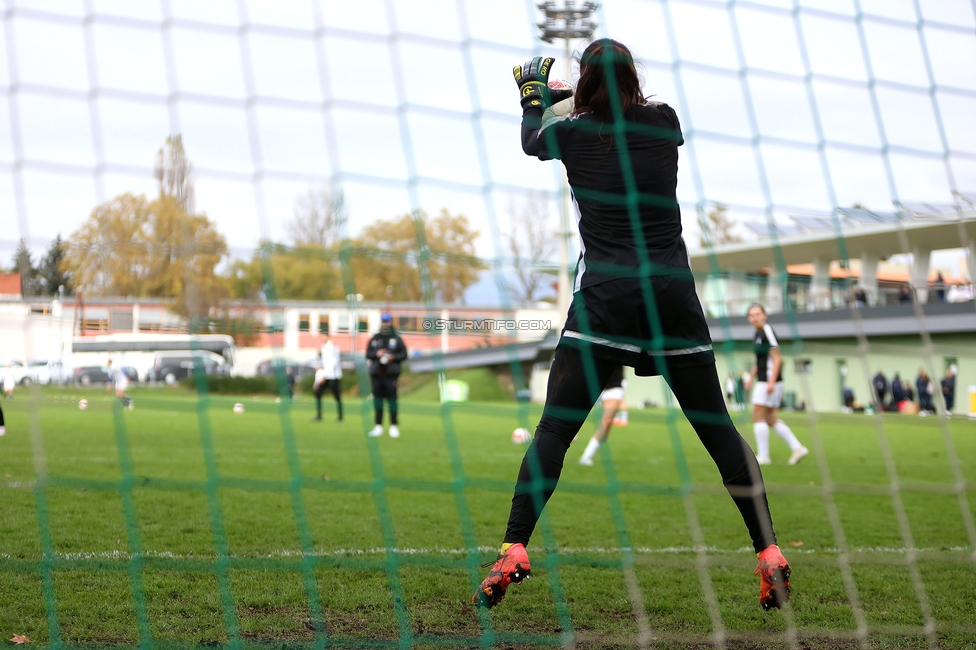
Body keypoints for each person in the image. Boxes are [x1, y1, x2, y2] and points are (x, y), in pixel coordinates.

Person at [473, 43, 791, 613]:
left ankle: (514, 547)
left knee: (554, 430)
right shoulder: (664, 121)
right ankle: (768, 550)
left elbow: (533, 142)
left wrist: (533, 99)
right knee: (718, 430)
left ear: (586, 82)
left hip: (607, 299)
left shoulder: (571, 133)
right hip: (672, 295)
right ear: (634, 78)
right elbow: (613, 110)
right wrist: (572, 95)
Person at [746, 304, 808, 466]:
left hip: (768, 381)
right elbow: (760, 360)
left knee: (757, 415)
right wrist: (750, 377)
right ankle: (798, 448)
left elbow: (777, 358)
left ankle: (764, 456)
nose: (755, 317)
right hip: (764, 379)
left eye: (758, 314)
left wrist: (771, 382)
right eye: (752, 315)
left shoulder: (767, 331)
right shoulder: (757, 333)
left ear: (765, 315)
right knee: (771, 418)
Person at [366, 313, 407, 438]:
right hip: (377, 375)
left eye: (387, 321)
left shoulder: (396, 338)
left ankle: (393, 425)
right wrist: (376, 353)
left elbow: (404, 354)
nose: (385, 324)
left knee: (392, 400)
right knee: (378, 401)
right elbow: (368, 353)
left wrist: (393, 357)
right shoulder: (375, 338)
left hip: (390, 375)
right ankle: (378, 425)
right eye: (384, 322)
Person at [578, 365, 626, 466]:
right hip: (592, 384)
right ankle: (570, 434)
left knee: (606, 422)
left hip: (613, 387)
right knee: (575, 411)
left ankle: (587, 456)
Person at [314, 332, 343, 422]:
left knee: (337, 396)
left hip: (333, 376)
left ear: (327, 336)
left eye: (324, 336)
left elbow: (334, 362)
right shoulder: (323, 347)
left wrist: (325, 375)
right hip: (325, 375)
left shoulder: (332, 347)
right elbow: (325, 362)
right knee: (318, 392)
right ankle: (319, 415)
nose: (322, 338)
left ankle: (340, 416)